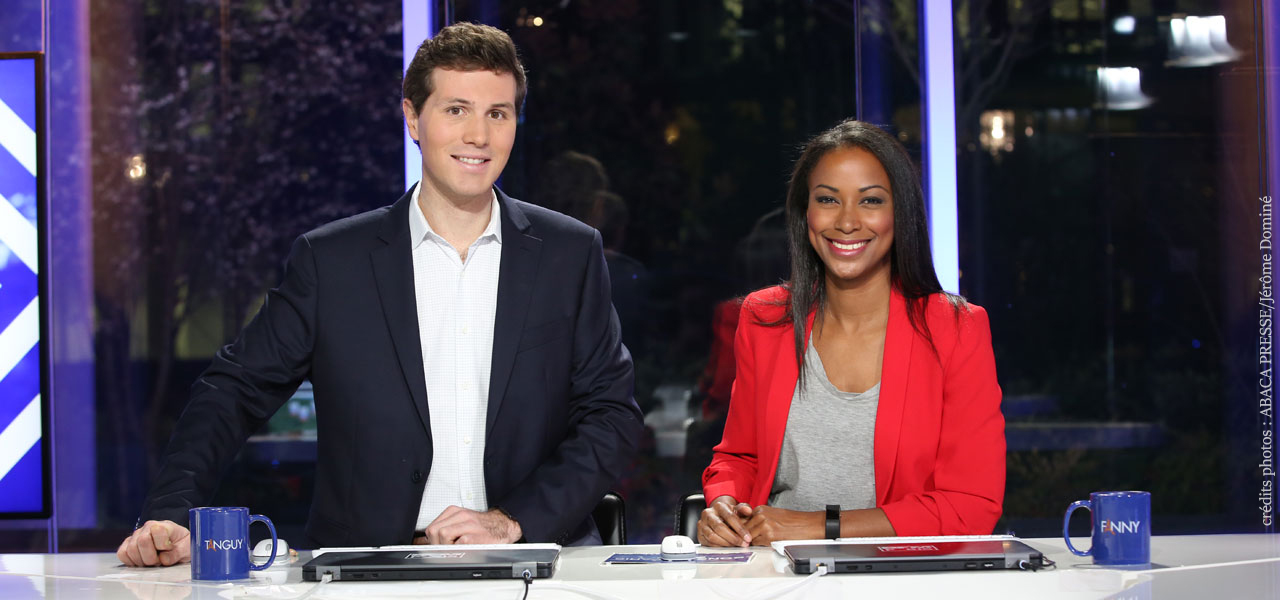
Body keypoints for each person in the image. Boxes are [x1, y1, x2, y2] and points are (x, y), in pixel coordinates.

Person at [117, 22, 643, 567]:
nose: (479, 137)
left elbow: (612, 416)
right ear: (413, 118)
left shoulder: (569, 253)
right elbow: (233, 391)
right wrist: (170, 513)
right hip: (368, 568)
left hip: (532, 562)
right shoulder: (332, 262)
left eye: (498, 114)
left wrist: (511, 521)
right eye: (456, 110)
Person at [698, 120, 1005, 547]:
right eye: (827, 199)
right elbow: (740, 456)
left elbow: (969, 505)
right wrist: (725, 505)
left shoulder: (955, 329)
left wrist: (818, 528)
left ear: (901, 213)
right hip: (775, 574)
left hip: (902, 579)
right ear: (806, 211)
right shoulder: (765, 319)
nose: (846, 222)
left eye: (870, 201)